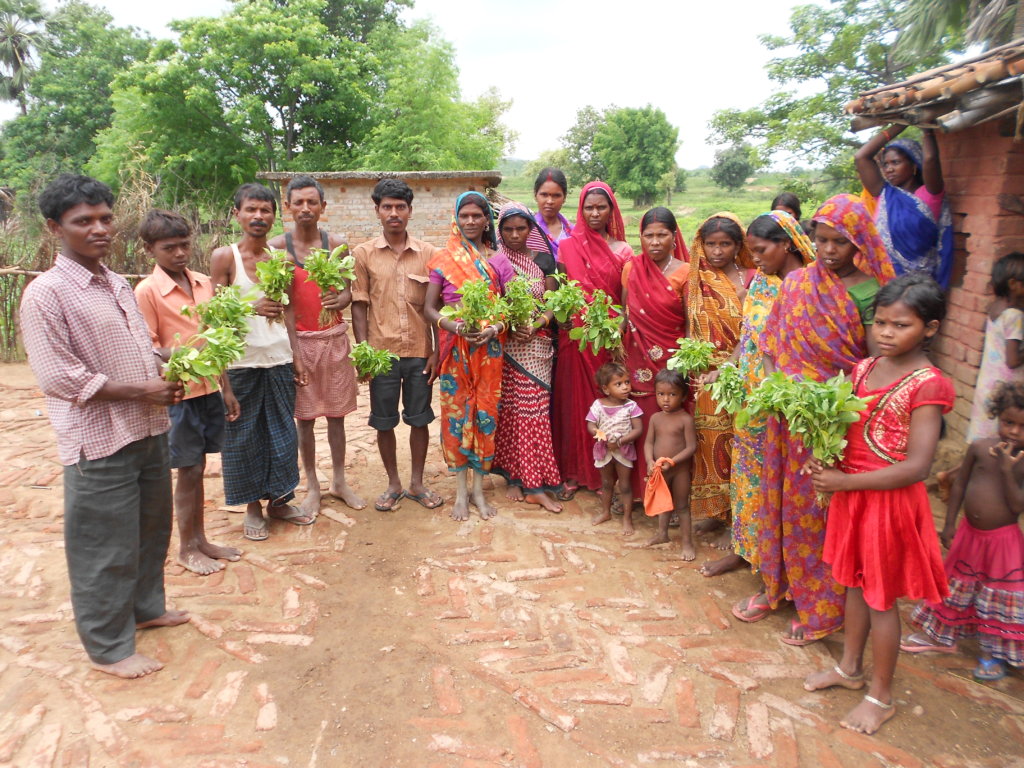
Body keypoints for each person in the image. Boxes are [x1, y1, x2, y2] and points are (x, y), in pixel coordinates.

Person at [20, 174, 188, 679]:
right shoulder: (45, 295)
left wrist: (167, 361)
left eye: (106, 218)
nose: (99, 229)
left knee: (150, 531)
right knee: (103, 544)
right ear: (55, 228)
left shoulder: (117, 284)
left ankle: (146, 608)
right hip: (100, 440)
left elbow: (139, 349)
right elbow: (59, 377)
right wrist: (144, 390)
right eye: (83, 221)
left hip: (148, 427)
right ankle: (109, 646)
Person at [733, 194, 896, 645]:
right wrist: (775, 392)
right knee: (776, 500)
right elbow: (769, 345)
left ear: (859, 242)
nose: (828, 250)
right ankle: (776, 585)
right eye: (821, 240)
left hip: (830, 424)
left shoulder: (870, 293)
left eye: (839, 242)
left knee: (816, 514)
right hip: (785, 417)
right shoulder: (799, 283)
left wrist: (827, 408)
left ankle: (823, 608)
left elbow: (870, 362)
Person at [804, 274, 954, 735]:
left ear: (928, 328)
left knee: (880, 599)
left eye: (901, 325)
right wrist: (823, 453)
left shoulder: (929, 384)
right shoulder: (864, 369)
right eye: (881, 322)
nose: (886, 332)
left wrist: (846, 482)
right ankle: (850, 669)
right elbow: (847, 430)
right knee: (852, 584)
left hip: (888, 503)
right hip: (855, 495)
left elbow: (917, 467)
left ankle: (881, 696)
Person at [699, 211, 816, 578]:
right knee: (747, 474)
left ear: (787, 244)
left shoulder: (809, 286)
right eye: (752, 251)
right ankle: (745, 548)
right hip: (751, 398)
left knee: (780, 480)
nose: (756, 259)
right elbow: (749, 338)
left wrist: (784, 394)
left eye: (761, 250)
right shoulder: (763, 284)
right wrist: (728, 368)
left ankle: (778, 560)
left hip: (786, 400)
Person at [134, 209, 241, 576]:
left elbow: (216, 340)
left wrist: (225, 388)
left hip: (209, 388)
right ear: (150, 249)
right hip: (179, 395)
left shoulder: (201, 283)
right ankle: (185, 547)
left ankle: (202, 540)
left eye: (184, 245)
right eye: (169, 248)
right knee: (187, 469)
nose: (179, 253)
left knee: (200, 467)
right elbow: (146, 348)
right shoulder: (147, 292)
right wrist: (177, 353)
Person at [902, 381, 1024, 684]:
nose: (1014, 432)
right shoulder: (980, 448)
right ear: (997, 416)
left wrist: (1008, 472)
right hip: (970, 535)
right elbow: (958, 485)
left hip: (1003, 542)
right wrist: (949, 523)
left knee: (999, 597)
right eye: (1008, 422)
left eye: (1023, 427)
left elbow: (1017, 505)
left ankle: (993, 653)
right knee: (957, 584)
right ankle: (943, 635)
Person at [210, 183, 309, 541]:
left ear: (273, 216)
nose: (258, 217)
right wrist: (223, 380)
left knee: (282, 434)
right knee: (244, 437)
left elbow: (290, 309)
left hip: (278, 359)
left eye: (265, 211)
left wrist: (297, 356)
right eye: (251, 210)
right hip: (242, 363)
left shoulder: (280, 260)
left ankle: (280, 502)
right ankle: (252, 506)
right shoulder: (225, 258)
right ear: (236, 213)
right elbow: (212, 316)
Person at [268, 175, 365, 517]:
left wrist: (340, 298)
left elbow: (349, 291)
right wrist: (293, 352)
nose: (306, 208)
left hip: (334, 339)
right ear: (288, 207)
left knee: (337, 416)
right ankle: (312, 485)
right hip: (300, 344)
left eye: (313, 202)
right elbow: (280, 303)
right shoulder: (278, 248)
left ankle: (339, 481)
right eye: (299, 203)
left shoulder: (336, 244)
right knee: (305, 419)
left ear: (324, 208)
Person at [351, 178, 442, 512]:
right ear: (377, 211)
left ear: (410, 211)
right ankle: (393, 483)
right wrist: (364, 351)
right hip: (381, 354)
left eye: (400, 207)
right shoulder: (363, 254)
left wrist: (436, 351)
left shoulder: (429, 254)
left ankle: (417, 483)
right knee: (384, 420)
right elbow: (359, 304)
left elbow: (438, 309)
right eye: (387, 207)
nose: (393, 213)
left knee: (420, 419)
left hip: (420, 352)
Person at [424, 192, 514, 522]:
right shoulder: (443, 259)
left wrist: (496, 327)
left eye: (478, 216)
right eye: (465, 216)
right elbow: (429, 309)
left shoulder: (498, 260)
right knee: (456, 418)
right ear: (456, 219)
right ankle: (461, 493)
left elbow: (513, 309)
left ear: (487, 220)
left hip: (489, 352)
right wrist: (456, 327)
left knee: (486, 417)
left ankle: (479, 491)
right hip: (455, 353)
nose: (471, 221)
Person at [552, 181, 633, 498]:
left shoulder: (623, 251)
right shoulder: (568, 246)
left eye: (601, 207)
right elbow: (560, 294)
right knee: (575, 407)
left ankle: (604, 476)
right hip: (574, 342)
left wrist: (617, 334)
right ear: (581, 210)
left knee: (607, 406)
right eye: (589, 207)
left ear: (611, 210)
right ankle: (573, 471)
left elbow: (626, 303)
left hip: (606, 344)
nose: (595, 212)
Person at [687, 213, 755, 550]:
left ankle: (738, 521)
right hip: (706, 376)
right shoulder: (697, 280)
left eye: (725, 244)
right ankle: (715, 511)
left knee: (739, 444)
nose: (717, 251)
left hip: (742, 373)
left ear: (738, 245)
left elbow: (754, 333)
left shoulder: (755, 279)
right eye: (711, 244)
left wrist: (729, 367)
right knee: (710, 442)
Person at [491, 201, 563, 512]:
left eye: (521, 228)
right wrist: (509, 324)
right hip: (509, 344)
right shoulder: (496, 262)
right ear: (500, 232)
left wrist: (535, 325)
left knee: (534, 411)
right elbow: (493, 301)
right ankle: (515, 477)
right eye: (508, 229)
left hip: (537, 344)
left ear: (531, 229)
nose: (515, 234)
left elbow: (553, 303)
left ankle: (535, 479)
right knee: (512, 411)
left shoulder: (545, 260)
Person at [620, 206, 690, 493]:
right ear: (641, 238)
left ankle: (670, 494)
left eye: (662, 235)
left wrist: (684, 363)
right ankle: (639, 492)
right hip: (637, 357)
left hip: (672, 362)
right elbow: (625, 313)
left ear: (674, 237)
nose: (655, 241)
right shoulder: (631, 267)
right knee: (640, 420)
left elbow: (689, 322)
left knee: (670, 429)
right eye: (649, 235)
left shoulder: (686, 272)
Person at [855, 124, 953, 289]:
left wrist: (927, 128)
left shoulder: (929, 194)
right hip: (886, 280)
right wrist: (900, 124)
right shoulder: (885, 193)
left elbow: (930, 159)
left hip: (919, 285)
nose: (889, 169)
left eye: (896, 162)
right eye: (885, 164)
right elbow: (861, 157)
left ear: (914, 164)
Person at [966, 252, 1024, 441]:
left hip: (988, 383)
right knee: (1001, 433)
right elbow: (1013, 360)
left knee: (985, 431)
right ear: (1014, 284)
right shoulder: (1015, 316)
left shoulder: (996, 307)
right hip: (1007, 386)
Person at [643, 368, 698, 556]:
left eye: (672, 394)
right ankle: (662, 534)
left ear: (683, 396)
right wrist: (649, 461)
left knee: (682, 506)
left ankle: (687, 543)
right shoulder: (655, 418)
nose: (665, 399)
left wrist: (673, 462)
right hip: (660, 471)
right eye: (661, 394)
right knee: (662, 504)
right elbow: (649, 442)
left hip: (679, 471)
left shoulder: (685, 419)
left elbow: (691, 447)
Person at [587, 362, 643, 535]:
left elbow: (638, 430)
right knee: (606, 483)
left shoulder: (631, 406)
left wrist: (619, 442)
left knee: (625, 485)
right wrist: (599, 434)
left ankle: (627, 518)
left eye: (627, 382)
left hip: (623, 451)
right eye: (618, 384)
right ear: (606, 389)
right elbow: (590, 425)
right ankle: (606, 512)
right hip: (603, 450)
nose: (625, 387)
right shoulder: (598, 405)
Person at [533, 167, 572, 258]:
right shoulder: (527, 229)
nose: (550, 201)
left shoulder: (573, 232)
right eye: (544, 195)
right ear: (535, 195)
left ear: (564, 197)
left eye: (556, 195)